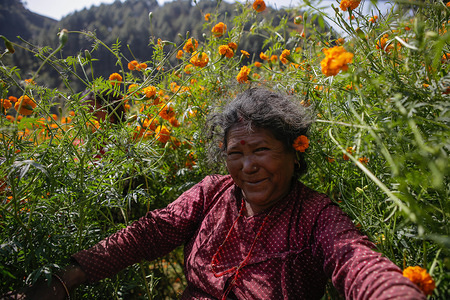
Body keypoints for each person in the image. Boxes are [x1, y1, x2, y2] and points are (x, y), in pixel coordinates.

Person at [2, 87, 426, 299]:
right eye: (234, 153)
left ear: (295, 153)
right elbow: (148, 232)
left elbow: (357, 261)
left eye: (261, 150)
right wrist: (62, 280)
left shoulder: (316, 216)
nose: (247, 166)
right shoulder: (213, 193)